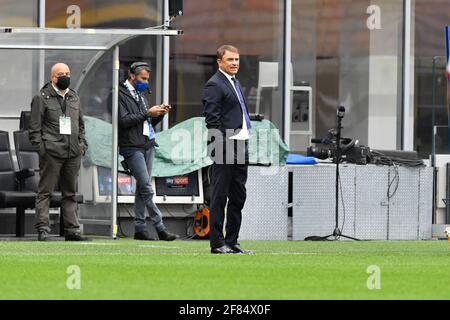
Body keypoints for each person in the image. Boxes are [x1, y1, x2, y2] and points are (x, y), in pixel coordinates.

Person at [118, 61, 178, 241]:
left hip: (147, 144)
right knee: (145, 186)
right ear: (132, 76)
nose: (146, 82)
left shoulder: (141, 95)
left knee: (142, 188)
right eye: (143, 78)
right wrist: (147, 114)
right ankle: (160, 227)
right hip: (131, 147)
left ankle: (140, 228)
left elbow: (147, 123)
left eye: (147, 79)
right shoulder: (119, 94)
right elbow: (123, 121)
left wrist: (159, 114)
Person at [29, 63, 89, 241]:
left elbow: (81, 125)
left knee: (70, 193)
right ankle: (43, 229)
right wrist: (43, 150)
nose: (66, 76)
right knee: (45, 192)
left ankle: (72, 231)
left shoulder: (74, 97)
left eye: (68, 73)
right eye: (61, 74)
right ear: (53, 77)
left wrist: (81, 145)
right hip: (52, 152)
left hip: (73, 153)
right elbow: (34, 129)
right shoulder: (42, 97)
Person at [202, 45, 253, 254]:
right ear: (220, 62)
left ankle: (232, 241)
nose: (234, 63)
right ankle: (217, 243)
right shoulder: (214, 84)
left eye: (237, 59)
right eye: (230, 59)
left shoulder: (236, 82)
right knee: (220, 196)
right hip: (224, 144)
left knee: (238, 195)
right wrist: (221, 145)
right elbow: (211, 119)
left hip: (240, 143)